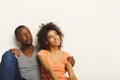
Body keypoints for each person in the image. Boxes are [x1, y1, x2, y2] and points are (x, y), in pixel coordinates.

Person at [0, 25, 75, 80]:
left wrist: (71, 62)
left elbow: (56, 62)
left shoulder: (42, 51)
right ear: (18, 38)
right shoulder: (15, 54)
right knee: (8, 55)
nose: (27, 36)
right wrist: (10, 53)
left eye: (28, 32)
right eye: (23, 34)